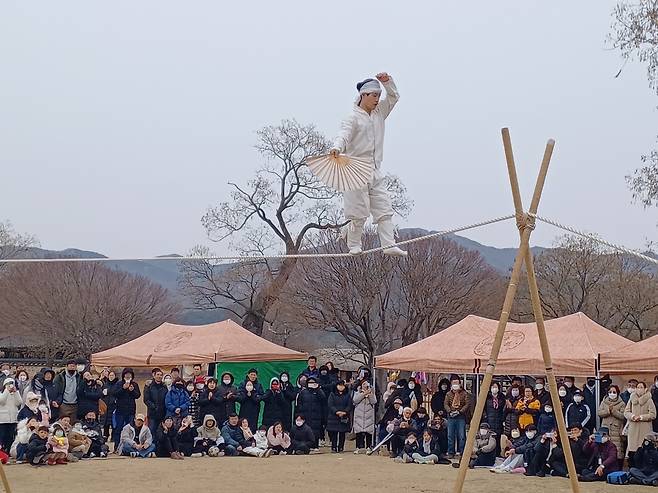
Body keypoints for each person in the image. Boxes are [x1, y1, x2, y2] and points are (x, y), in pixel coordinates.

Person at [330, 72, 406, 257]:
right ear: (363, 95)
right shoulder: (352, 118)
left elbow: (394, 97)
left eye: (379, 96)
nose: (377, 99)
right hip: (355, 169)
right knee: (358, 211)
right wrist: (337, 147)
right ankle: (354, 244)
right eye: (374, 95)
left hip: (374, 168)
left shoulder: (379, 113)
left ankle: (388, 244)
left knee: (383, 207)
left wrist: (388, 83)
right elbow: (344, 134)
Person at [625, 381, 657, 466]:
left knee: (644, 450)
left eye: (641, 387)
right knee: (632, 451)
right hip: (633, 428)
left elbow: (653, 414)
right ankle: (632, 470)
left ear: (645, 389)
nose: (639, 389)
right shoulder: (632, 399)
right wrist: (632, 416)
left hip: (645, 428)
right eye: (638, 387)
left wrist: (642, 417)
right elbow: (626, 412)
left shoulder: (649, 400)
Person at [111, 367, 141, 449]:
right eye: (126, 374)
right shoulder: (119, 384)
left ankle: (130, 446)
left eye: (130, 374)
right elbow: (114, 393)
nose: (128, 376)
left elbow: (138, 395)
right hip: (120, 410)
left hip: (131, 410)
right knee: (119, 428)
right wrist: (123, 388)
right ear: (123, 375)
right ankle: (117, 446)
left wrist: (132, 391)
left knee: (131, 429)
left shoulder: (134, 384)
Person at [597, 384, 625, 468]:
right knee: (604, 448)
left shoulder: (622, 403)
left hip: (616, 429)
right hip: (605, 429)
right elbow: (599, 413)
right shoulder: (604, 402)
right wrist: (608, 411)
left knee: (617, 449)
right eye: (610, 392)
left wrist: (614, 411)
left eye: (614, 392)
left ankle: (618, 468)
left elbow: (623, 416)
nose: (612, 393)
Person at [296, 376, 326, 449]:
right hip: (305, 415)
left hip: (316, 415)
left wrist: (317, 389)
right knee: (305, 431)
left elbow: (323, 400)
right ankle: (306, 446)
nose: (311, 384)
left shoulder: (319, 392)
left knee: (315, 431)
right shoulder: (303, 392)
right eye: (310, 382)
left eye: (313, 382)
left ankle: (315, 446)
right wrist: (299, 414)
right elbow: (299, 404)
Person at [444, 375, 470, 458]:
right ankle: (451, 452)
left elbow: (467, 404)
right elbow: (445, 404)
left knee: (462, 435)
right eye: (453, 383)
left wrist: (460, 411)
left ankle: (462, 452)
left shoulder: (464, 393)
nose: (455, 384)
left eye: (457, 382)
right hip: (451, 416)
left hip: (460, 417)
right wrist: (449, 411)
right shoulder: (448, 394)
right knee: (450, 435)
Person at [326, 380, 352, 453]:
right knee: (334, 433)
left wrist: (344, 412)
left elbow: (349, 405)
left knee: (342, 433)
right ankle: (333, 447)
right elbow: (330, 404)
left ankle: (341, 447)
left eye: (342, 385)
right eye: (339, 385)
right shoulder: (332, 394)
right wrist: (336, 411)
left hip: (344, 417)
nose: (341, 387)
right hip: (334, 416)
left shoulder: (347, 395)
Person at [0, 377, 23, 451]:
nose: (10, 386)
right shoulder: (1, 393)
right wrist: (7, 390)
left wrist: (16, 392)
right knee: (3, 435)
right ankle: (2, 450)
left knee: (11, 436)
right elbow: (2, 401)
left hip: (13, 419)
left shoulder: (15, 394)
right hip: (3, 419)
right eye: (8, 384)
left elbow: (19, 402)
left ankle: (9, 450)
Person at [144, 368, 168, 436]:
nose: (159, 376)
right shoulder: (149, 386)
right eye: (158, 374)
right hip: (152, 414)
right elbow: (146, 399)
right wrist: (154, 407)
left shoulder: (164, 386)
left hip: (162, 414)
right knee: (151, 431)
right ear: (154, 376)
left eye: (161, 375)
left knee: (161, 432)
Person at [483, 382, 506, 455]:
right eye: (493, 387)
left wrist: (503, 419)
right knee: (490, 437)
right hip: (489, 419)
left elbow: (504, 409)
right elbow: (483, 409)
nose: (494, 389)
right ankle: (490, 453)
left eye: (496, 387)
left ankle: (498, 453)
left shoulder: (502, 397)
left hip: (499, 419)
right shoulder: (487, 397)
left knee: (498, 437)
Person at [100, 369, 117, 441]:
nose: (111, 377)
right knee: (106, 422)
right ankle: (105, 436)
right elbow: (101, 394)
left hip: (114, 406)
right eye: (110, 375)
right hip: (106, 405)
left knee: (113, 422)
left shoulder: (117, 384)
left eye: (112, 375)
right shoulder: (105, 384)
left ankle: (113, 437)